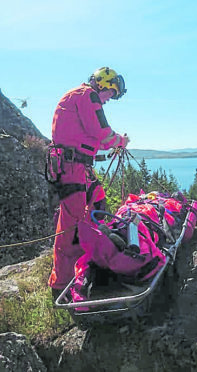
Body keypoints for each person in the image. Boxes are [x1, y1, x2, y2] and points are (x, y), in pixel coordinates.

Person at [47, 67, 129, 297]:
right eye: (110, 93)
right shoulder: (87, 96)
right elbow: (103, 133)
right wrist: (121, 140)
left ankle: (93, 257)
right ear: (102, 84)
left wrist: (114, 142)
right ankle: (62, 283)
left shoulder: (80, 98)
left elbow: (97, 138)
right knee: (71, 227)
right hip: (72, 168)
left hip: (77, 167)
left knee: (98, 201)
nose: (109, 99)